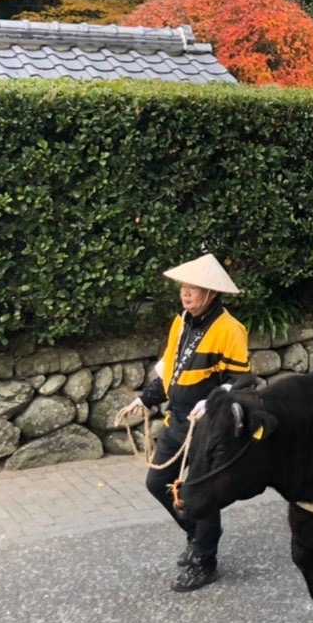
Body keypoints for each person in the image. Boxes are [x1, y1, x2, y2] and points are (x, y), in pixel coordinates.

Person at [117, 253, 251, 593]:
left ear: (211, 293)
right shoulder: (181, 321)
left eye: (194, 288)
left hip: (206, 426)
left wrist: (210, 403)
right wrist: (145, 398)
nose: (186, 294)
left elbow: (241, 381)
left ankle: (205, 561)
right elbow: (170, 371)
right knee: (157, 481)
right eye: (184, 288)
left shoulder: (230, 329)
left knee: (198, 490)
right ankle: (197, 534)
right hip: (177, 421)